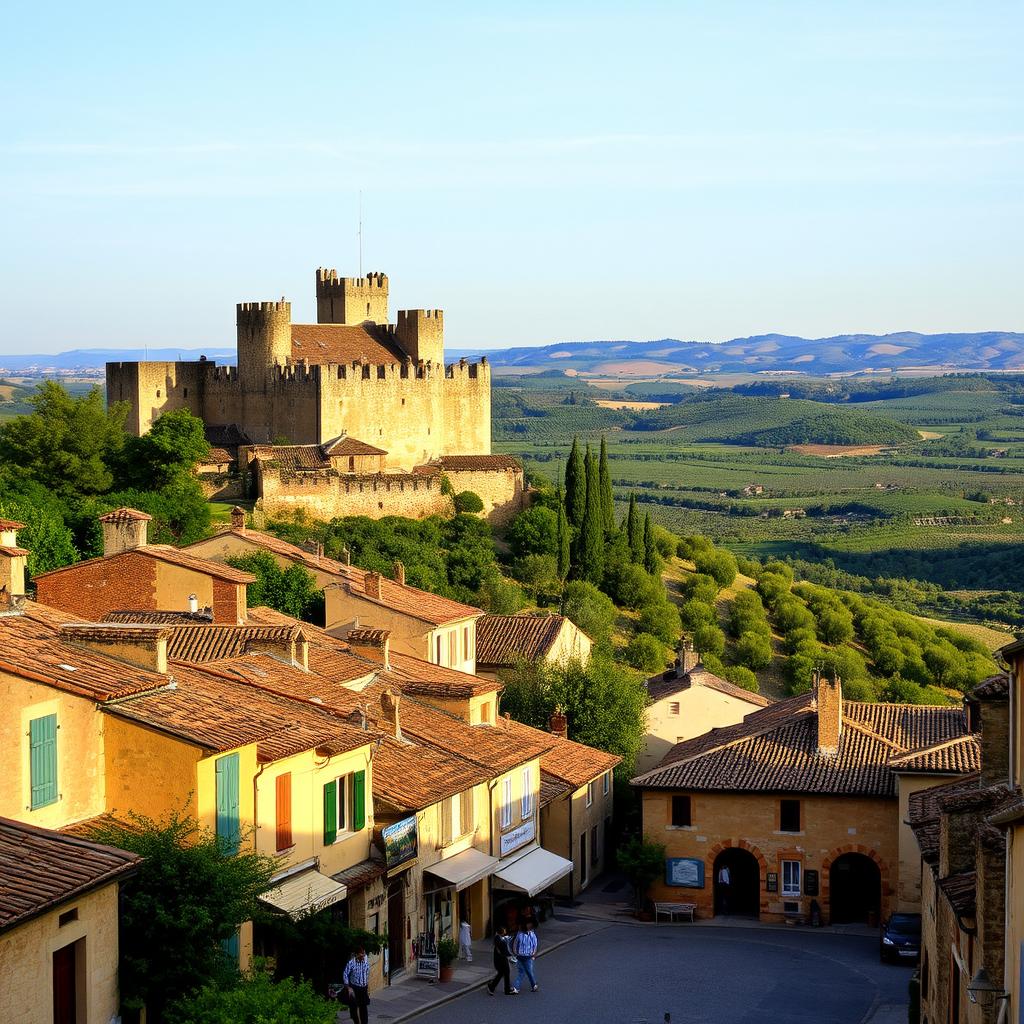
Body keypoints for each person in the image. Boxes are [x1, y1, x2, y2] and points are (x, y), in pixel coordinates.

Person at [342, 947, 371, 1024]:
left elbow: (367, 973)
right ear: (357, 954)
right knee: (354, 1008)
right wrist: (347, 986)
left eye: (364, 954)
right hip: (354, 988)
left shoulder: (366, 961)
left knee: (363, 1007)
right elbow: (345, 973)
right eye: (361, 954)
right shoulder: (351, 962)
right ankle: (356, 1022)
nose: (363, 956)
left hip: (364, 988)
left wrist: (367, 986)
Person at [512, 919, 539, 993]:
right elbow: (515, 943)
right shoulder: (520, 934)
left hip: (527, 956)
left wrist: (533, 955)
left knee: (526, 972)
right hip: (521, 956)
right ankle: (533, 985)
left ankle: (517, 987)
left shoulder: (532, 934)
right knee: (525, 972)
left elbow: (535, 945)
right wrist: (515, 952)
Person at [486, 926, 514, 996]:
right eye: (504, 930)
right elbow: (504, 950)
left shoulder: (498, 938)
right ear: (501, 932)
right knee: (506, 973)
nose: (505, 931)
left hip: (499, 959)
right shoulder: (499, 939)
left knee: (501, 973)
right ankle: (506, 989)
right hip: (502, 959)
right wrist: (511, 955)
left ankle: (492, 986)